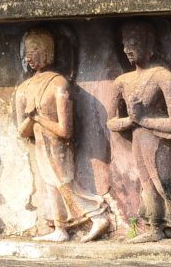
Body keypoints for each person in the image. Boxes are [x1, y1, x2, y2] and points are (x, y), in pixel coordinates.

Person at [107, 20, 171, 243]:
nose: (127, 49)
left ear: (148, 44)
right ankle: (155, 227)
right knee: (146, 183)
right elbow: (111, 122)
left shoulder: (164, 78)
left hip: (159, 140)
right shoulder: (122, 81)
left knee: (164, 181)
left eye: (133, 43)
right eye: (125, 44)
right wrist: (131, 121)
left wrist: (144, 119)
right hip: (138, 138)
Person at [14, 28, 109, 242]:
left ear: (49, 51)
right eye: (27, 51)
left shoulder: (58, 84)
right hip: (40, 145)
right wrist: (31, 119)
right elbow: (22, 131)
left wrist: (38, 118)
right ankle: (60, 228)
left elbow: (65, 131)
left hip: (58, 147)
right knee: (50, 186)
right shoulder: (24, 88)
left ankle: (97, 214)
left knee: (63, 183)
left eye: (36, 50)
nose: (29, 56)